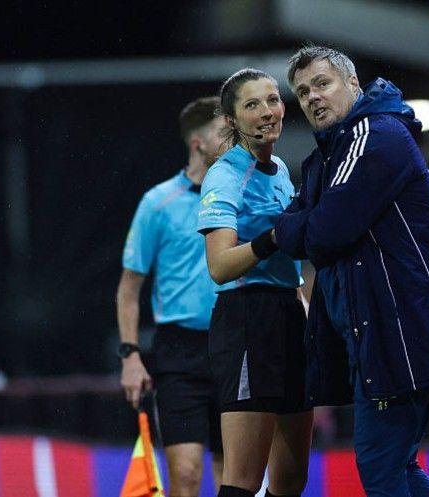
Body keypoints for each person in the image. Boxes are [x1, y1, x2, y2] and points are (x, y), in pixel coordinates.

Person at [274, 46, 429, 497]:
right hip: (378, 338)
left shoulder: (374, 134)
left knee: (380, 465)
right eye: (303, 92)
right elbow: (295, 231)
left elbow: (323, 233)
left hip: (396, 334)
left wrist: (300, 225)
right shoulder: (325, 159)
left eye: (322, 84)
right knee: (395, 466)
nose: (312, 98)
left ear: (353, 85)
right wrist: (300, 226)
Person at [198, 68, 312, 497]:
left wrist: (300, 301)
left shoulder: (281, 168)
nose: (267, 112)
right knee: (244, 481)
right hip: (247, 319)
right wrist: (270, 240)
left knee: (290, 479)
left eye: (272, 100)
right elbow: (220, 266)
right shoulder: (225, 176)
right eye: (252, 105)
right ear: (231, 120)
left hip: (288, 315)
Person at [117, 96, 226, 497]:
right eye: (223, 131)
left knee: (235, 479)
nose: (234, 138)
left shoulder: (244, 195)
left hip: (234, 344)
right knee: (186, 474)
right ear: (197, 142)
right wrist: (130, 355)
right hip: (179, 353)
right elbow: (129, 289)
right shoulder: (157, 203)